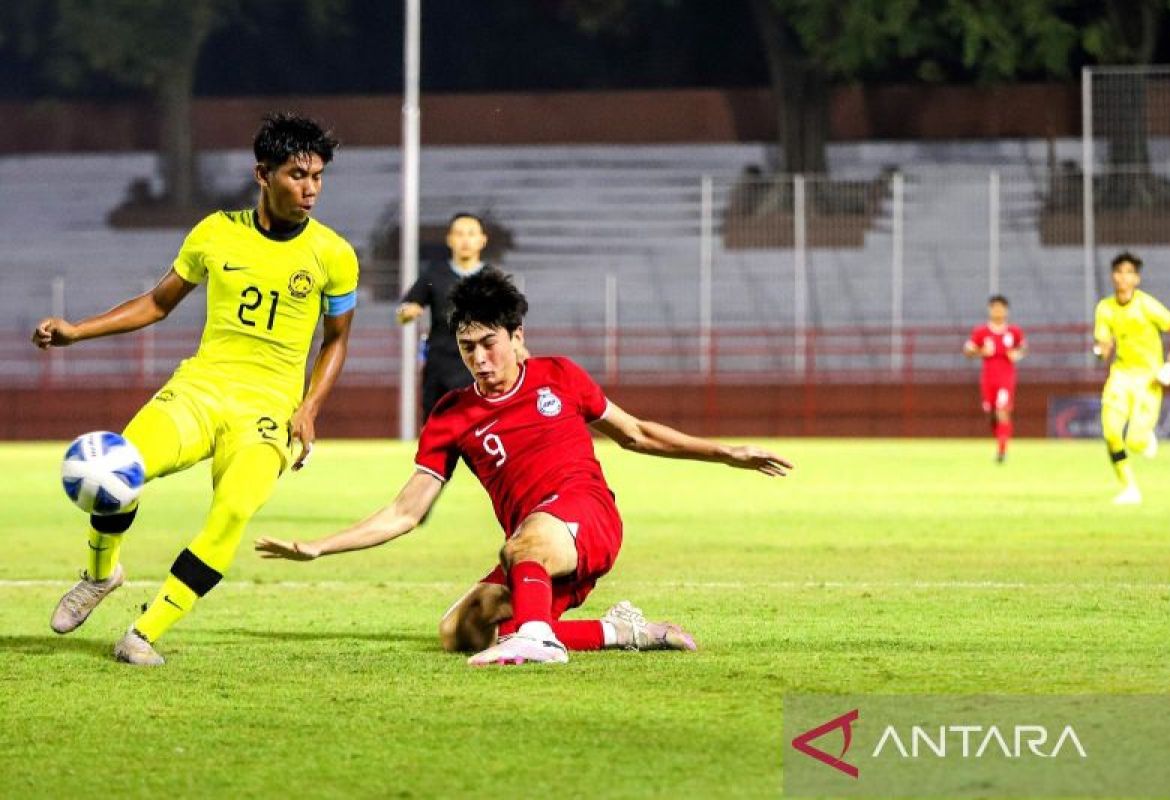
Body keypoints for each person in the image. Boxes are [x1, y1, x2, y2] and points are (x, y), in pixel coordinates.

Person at [256, 268, 793, 667]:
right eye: (468, 348)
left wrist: (725, 452)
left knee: (523, 546)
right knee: (462, 631)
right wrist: (320, 546)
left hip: (588, 519)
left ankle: (536, 641)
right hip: (538, 547)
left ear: (516, 337)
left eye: (489, 343)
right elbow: (404, 511)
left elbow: (636, 433)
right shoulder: (452, 416)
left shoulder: (560, 376)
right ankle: (624, 633)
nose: (480, 359)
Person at [31, 113, 358, 665]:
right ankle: (100, 572)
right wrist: (78, 330)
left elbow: (336, 342)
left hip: (269, 410)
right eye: (298, 175)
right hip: (201, 389)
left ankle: (143, 633)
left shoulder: (333, 255)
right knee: (119, 467)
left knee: (231, 511)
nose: (311, 188)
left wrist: (309, 409)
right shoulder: (215, 233)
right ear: (263, 174)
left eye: (318, 176)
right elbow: (159, 303)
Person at [1092, 251, 1170, 505]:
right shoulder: (1105, 308)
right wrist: (1101, 351)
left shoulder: (1146, 305)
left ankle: (1144, 439)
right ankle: (1129, 488)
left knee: (1134, 441)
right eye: (1118, 272)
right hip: (1121, 375)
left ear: (1136, 278)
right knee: (1111, 432)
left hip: (1148, 379)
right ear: (1112, 277)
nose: (1122, 278)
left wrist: (1169, 366)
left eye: (1128, 273)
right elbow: (1104, 345)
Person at [396, 212, 490, 422]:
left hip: (480, 364)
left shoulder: (492, 279)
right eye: (459, 234)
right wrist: (407, 313)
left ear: (482, 240)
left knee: (480, 427)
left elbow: (509, 321)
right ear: (449, 239)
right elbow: (404, 310)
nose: (465, 240)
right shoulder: (433, 275)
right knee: (435, 427)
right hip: (440, 363)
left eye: (471, 234)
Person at [963, 295, 1026, 463]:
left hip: (1006, 378)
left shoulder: (1014, 332)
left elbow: (1023, 348)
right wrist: (980, 352)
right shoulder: (981, 332)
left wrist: (1016, 354)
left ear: (1006, 311)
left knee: (1002, 411)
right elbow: (967, 350)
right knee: (991, 414)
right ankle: (1000, 439)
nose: (998, 311)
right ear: (990, 310)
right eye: (995, 308)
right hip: (988, 378)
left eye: (1001, 308)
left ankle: (1002, 451)